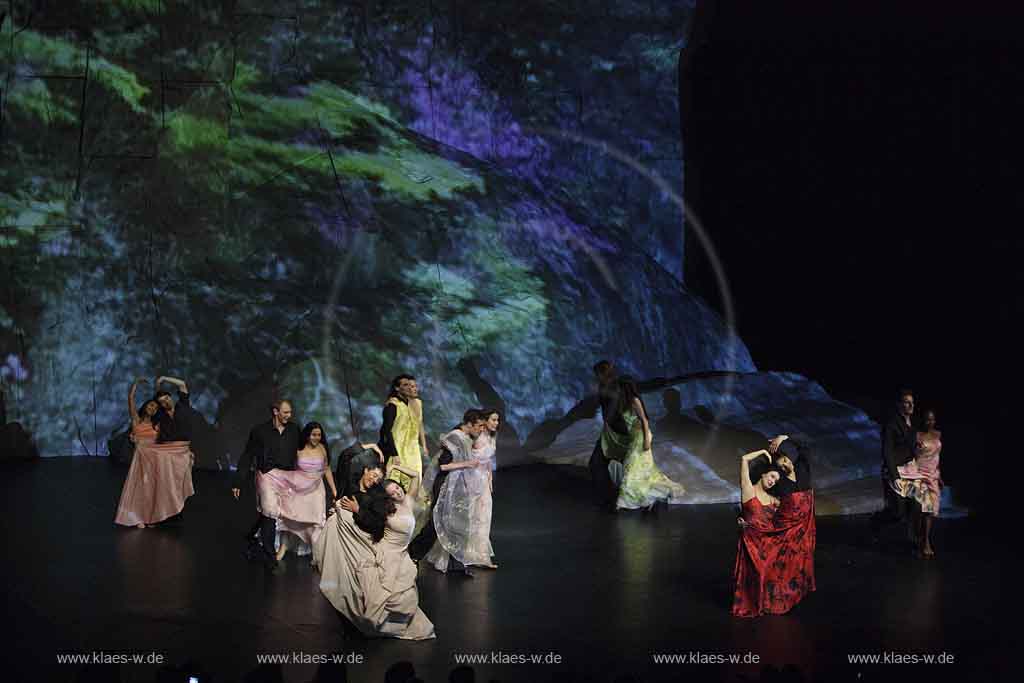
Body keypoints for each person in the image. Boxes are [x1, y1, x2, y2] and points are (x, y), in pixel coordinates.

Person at [313, 464, 435, 640]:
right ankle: (362, 623)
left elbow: (416, 475)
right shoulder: (386, 507)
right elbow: (372, 522)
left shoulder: (409, 500)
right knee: (376, 593)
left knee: (402, 594)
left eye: (398, 489)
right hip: (386, 552)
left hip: (401, 555)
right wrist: (353, 510)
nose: (397, 493)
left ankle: (390, 625)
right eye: (392, 492)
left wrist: (395, 467)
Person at [408, 410, 488, 575]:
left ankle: (456, 565)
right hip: (445, 485)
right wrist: (468, 464)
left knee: (455, 523)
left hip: (456, 485)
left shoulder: (464, 437)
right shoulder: (455, 437)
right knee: (438, 523)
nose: (482, 430)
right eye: (480, 426)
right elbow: (443, 466)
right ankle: (412, 554)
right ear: (470, 423)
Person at [232, 400, 302, 573]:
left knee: (276, 513)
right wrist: (238, 482)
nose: (289, 415)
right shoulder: (260, 431)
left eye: (290, 412)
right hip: (266, 475)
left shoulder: (294, 430)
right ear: (275, 411)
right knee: (270, 511)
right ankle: (270, 557)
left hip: (287, 476)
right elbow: (248, 455)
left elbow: (303, 450)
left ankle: (251, 535)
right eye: (285, 412)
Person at [114, 378, 195, 527]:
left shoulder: (158, 423)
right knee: (140, 488)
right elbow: (131, 400)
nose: (152, 408)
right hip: (141, 456)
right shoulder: (137, 420)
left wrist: (186, 452)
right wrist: (136, 384)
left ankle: (153, 516)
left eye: (155, 407)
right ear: (145, 407)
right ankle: (139, 516)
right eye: (150, 406)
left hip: (154, 456)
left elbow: (165, 442)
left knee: (154, 488)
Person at [604, 376, 686, 510]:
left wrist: (647, 441)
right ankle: (649, 498)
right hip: (634, 436)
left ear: (625, 389)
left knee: (631, 467)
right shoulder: (622, 402)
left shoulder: (635, 401)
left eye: (619, 388)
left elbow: (644, 420)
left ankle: (622, 502)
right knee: (640, 469)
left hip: (642, 436)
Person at [273, 422, 339, 561]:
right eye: (313, 434)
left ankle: (316, 554)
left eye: (319, 435)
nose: (316, 438)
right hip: (298, 488)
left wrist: (334, 490)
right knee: (289, 518)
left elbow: (327, 469)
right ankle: (283, 549)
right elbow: (288, 468)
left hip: (316, 490)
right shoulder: (298, 449)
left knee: (315, 521)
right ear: (307, 435)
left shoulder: (323, 448)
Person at [732, 449, 784, 618]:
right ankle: (754, 605)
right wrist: (763, 451)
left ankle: (765, 605)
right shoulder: (749, 490)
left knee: (767, 576)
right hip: (751, 543)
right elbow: (743, 459)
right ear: (762, 475)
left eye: (776, 480)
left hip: (768, 543)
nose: (773, 481)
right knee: (754, 576)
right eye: (771, 476)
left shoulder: (774, 500)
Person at [871, 389, 920, 547]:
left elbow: (912, 447)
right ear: (900, 405)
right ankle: (876, 522)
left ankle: (911, 539)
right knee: (898, 512)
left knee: (915, 505)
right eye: (907, 402)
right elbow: (887, 451)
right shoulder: (892, 424)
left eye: (912, 402)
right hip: (896, 471)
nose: (910, 405)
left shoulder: (913, 424)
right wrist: (894, 475)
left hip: (911, 470)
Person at [893, 409, 943, 557]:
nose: (930, 422)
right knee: (924, 508)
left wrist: (939, 475)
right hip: (919, 474)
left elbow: (937, 456)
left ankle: (924, 538)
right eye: (928, 419)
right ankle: (924, 541)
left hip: (933, 475)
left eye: (932, 419)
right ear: (923, 420)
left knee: (931, 510)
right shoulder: (917, 435)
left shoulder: (938, 434)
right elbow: (910, 454)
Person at [380, 375, 427, 494]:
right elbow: (386, 430)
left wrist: (423, 445)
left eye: (410, 385)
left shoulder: (412, 404)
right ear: (397, 388)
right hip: (398, 450)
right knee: (396, 481)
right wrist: (394, 453)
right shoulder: (393, 405)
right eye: (405, 385)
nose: (410, 388)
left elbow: (418, 425)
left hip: (413, 450)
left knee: (415, 481)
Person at [588, 360, 623, 509]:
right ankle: (610, 497)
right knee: (597, 463)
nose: (596, 377)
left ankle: (613, 497)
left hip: (620, 432)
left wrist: (599, 392)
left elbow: (615, 399)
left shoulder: (616, 386)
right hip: (612, 431)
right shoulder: (604, 386)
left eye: (598, 374)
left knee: (599, 463)